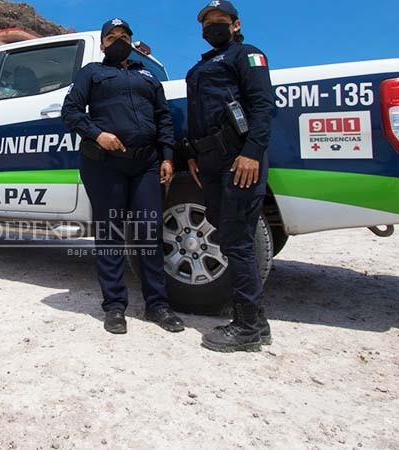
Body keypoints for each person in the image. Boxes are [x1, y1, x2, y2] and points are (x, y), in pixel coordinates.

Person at [62, 18, 184, 335]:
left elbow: (163, 119)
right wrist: (97, 134)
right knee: (111, 235)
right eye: (112, 36)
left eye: (124, 36)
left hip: (146, 164)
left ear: (132, 41)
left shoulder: (147, 76)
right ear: (102, 43)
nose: (118, 40)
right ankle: (114, 307)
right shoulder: (91, 73)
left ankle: (158, 306)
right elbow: (71, 111)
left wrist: (168, 156)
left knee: (149, 234)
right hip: (105, 164)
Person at [184, 1, 274, 352]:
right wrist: (193, 153)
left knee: (237, 242)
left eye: (219, 21)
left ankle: (247, 327)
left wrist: (251, 152)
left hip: (238, 160)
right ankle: (257, 322)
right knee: (227, 236)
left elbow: (264, 106)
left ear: (235, 25)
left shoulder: (247, 56)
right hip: (210, 161)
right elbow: (198, 115)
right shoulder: (203, 65)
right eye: (207, 23)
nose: (212, 27)